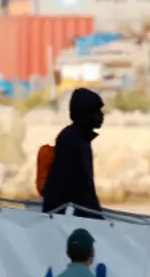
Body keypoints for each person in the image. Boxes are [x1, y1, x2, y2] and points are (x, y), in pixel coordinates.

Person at [41, 88, 105, 219]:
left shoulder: (75, 137)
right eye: (97, 111)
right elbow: (80, 187)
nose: (102, 115)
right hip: (64, 214)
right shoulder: (73, 141)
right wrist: (96, 216)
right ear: (86, 114)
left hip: (64, 212)